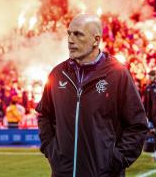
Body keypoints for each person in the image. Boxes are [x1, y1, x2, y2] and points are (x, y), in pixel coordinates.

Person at [36, 14, 148, 177]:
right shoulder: (57, 74)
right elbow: (44, 114)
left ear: (96, 40)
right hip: (63, 172)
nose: (70, 40)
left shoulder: (118, 74)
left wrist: (115, 160)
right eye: (69, 33)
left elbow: (137, 125)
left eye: (78, 34)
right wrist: (51, 150)